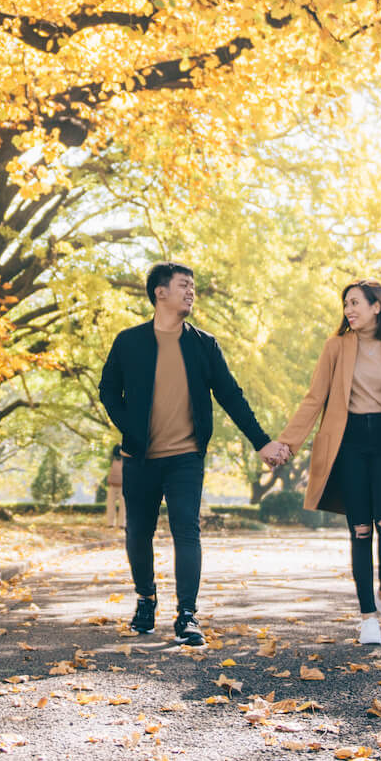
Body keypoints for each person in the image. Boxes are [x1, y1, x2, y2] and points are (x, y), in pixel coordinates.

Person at [98, 262, 278, 646]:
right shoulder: (129, 342)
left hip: (186, 457)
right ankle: (146, 599)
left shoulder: (203, 345)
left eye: (193, 286)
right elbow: (108, 390)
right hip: (140, 457)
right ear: (160, 292)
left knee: (186, 529)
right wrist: (128, 425)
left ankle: (187, 614)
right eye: (184, 285)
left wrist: (261, 441)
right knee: (139, 533)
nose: (191, 292)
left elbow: (231, 396)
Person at [267, 279, 381, 645]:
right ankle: (366, 617)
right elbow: (314, 399)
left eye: (356, 303)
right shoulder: (336, 348)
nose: (349, 310)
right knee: (361, 529)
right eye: (346, 305)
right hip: (350, 443)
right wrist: (287, 443)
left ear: (377, 306)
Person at [104, 444, 125, 529]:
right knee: (121, 505)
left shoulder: (112, 459)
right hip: (117, 485)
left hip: (117, 485)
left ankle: (113, 523)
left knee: (111, 504)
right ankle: (119, 524)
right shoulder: (114, 459)